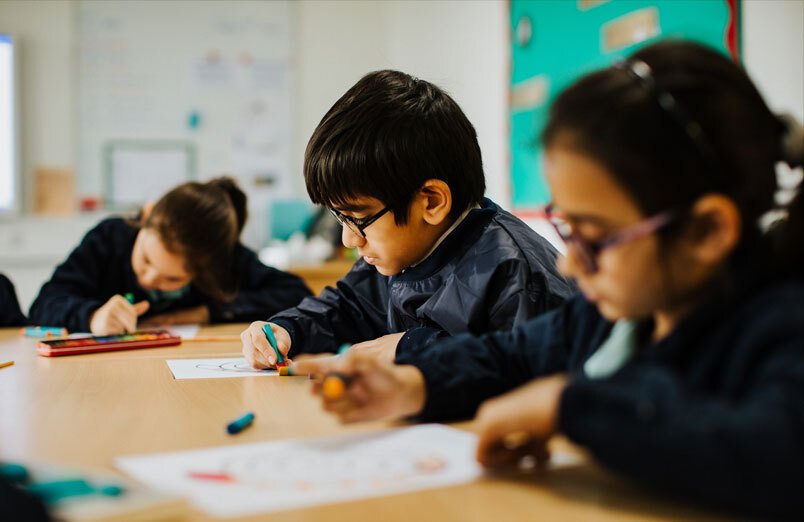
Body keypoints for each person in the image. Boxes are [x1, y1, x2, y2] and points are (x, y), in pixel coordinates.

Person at [294, 41, 804, 519]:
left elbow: (771, 453)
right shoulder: (614, 315)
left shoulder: (781, 326)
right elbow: (510, 355)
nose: (568, 264)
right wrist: (412, 383)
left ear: (707, 231)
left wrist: (569, 405)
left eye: (596, 237)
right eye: (567, 229)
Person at [241, 70, 572, 368]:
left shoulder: (515, 274)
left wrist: (411, 347)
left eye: (359, 217)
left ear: (431, 202)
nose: (349, 239)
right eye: (339, 218)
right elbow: (346, 308)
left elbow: (525, 369)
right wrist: (288, 329)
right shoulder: (399, 251)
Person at [29, 177, 311, 334]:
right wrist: (92, 316)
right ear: (147, 214)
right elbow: (44, 304)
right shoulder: (108, 240)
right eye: (147, 259)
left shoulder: (225, 259)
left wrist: (207, 312)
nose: (149, 279)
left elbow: (296, 293)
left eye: (172, 278)